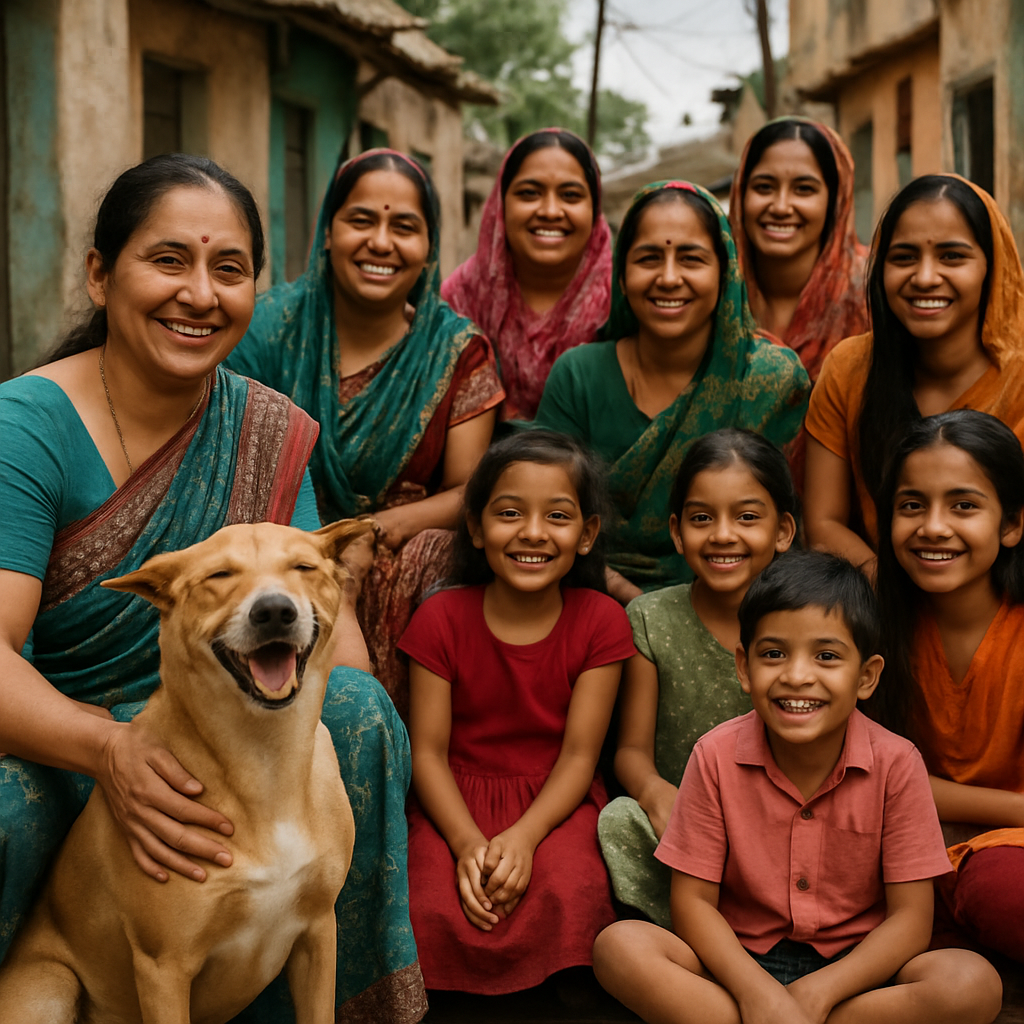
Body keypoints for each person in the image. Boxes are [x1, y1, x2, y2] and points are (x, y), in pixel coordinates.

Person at [0, 154, 426, 1024]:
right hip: (58, 741)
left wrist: (309, 736)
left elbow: (326, 633)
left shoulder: (265, 429)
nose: (199, 293)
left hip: (223, 735)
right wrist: (108, 748)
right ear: (99, 272)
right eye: (168, 260)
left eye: (228, 269)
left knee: (362, 715)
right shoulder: (25, 426)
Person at [592, 550, 1002, 1024]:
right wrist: (758, 994)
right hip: (737, 964)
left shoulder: (898, 764)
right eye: (773, 654)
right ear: (744, 668)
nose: (797, 675)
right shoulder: (715, 756)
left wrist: (815, 996)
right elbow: (692, 904)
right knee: (620, 947)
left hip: (856, 975)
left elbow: (910, 922)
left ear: (866, 677)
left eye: (826, 656)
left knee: (971, 983)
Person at [227, 149, 503, 717]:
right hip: (277, 538)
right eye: (361, 220)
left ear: (429, 247)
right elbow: (229, 456)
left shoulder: (455, 351)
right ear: (327, 230)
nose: (381, 242)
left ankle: (422, 752)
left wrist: (375, 530)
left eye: (404, 227)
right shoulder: (265, 328)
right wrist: (321, 545)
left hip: (403, 553)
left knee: (443, 555)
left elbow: (472, 489)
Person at [398, 431, 636, 993]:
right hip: (451, 800)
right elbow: (427, 753)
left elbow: (581, 757)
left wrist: (525, 837)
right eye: (509, 513)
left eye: (557, 515)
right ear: (477, 528)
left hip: (556, 801)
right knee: (425, 904)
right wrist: (464, 843)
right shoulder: (440, 618)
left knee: (571, 892)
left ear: (586, 534)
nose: (532, 532)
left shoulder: (601, 621)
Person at [533, 180, 810, 603]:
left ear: (725, 273)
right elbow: (547, 517)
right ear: (621, 277)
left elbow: (784, 533)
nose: (668, 278)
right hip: (591, 600)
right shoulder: (579, 375)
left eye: (691, 259)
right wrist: (638, 605)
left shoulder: (769, 379)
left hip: (739, 607)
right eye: (648, 258)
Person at [599, 429, 797, 927]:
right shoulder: (650, 618)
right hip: (684, 827)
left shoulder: (811, 621)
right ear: (676, 531)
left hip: (786, 824)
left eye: (747, 517)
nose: (723, 534)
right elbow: (631, 750)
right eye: (702, 518)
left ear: (783, 531)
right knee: (619, 820)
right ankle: (698, 933)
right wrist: (655, 792)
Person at [804, 174, 1024, 575]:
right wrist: (892, 603)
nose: (924, 277)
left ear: (993, 267)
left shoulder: (1019, 378)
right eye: (903, 257)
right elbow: (822, 524)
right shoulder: (849, 368)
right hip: (877, 605)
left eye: (952, 256)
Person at [873, 409, 1024, 963]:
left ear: (1011, 525)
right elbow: (874, 773)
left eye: (963, 505)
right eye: (912, 505)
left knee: (1005, 894)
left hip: (1008, 851)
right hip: (902, 841)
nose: (933, 527)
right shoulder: (869, 623)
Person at [441, 128, 612, 420]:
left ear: (594, 209)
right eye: (529, 193)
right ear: (500, 204)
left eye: (570, 195)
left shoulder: (624, 299)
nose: (550, 211)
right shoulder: (460, 297)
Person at [729, 117, 869, 381]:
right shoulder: (711, 291)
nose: (781, 207)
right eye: (764, 187)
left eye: (804, 189)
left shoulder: (874, 294)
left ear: (835, 201)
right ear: (740, 193)